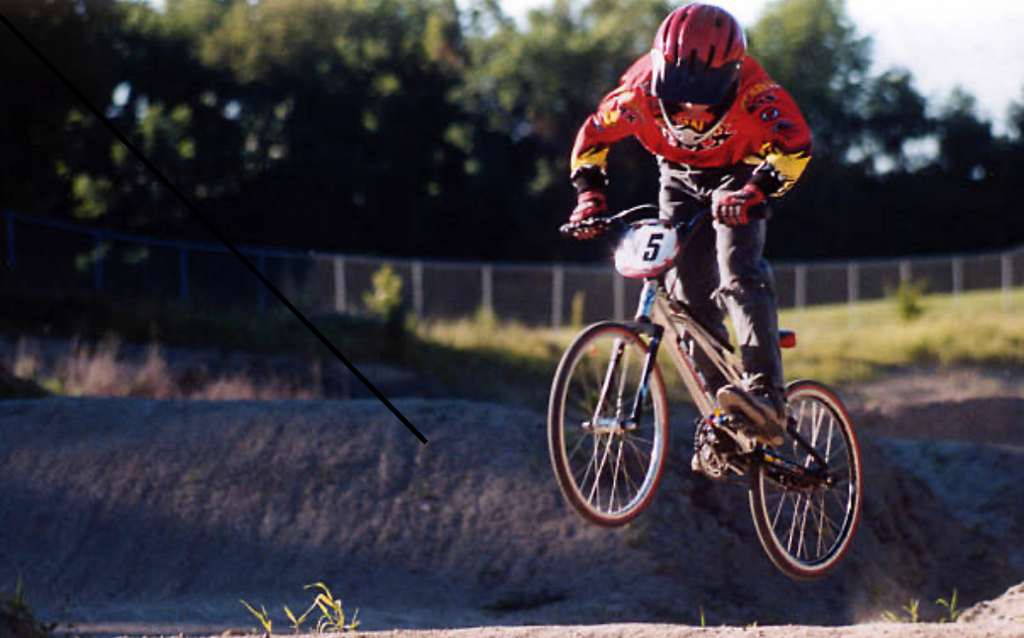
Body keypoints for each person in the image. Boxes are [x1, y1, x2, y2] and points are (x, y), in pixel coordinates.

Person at [566, 3, 812, 447]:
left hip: (742, 172)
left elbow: (795, 147)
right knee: (687, 293)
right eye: (679, 88)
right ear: (661, 66)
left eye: (708, 90)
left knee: (737, 270)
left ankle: (767, 397)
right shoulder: (637, 92)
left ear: (735, 74)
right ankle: (725, 416)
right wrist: (589, 198)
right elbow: (592, 139)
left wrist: (753, 193)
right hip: (677, 176)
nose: (692, 104)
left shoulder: (759, 94)